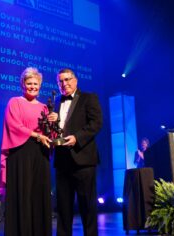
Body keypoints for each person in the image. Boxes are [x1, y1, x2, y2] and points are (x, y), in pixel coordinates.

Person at [48, 68, 103, 236]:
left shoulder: (89, 98)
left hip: (83, 160)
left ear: (75, 80)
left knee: (88, 207)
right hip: (62, 162)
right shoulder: (56, 103)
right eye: (60, 81)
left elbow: (96, 124)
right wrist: (51, 124)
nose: (64, 84)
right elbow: (56, 130)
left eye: (67, 79)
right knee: (63, 209)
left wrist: (77, 138)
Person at [0, 67, 52, 236]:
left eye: (36, 84)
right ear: (23, 84)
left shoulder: (45, 107)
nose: (33, 87)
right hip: (20, 154)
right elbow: (14, 126)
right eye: (29, 83)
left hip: (40, 154)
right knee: (22, 195)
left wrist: (54, 121)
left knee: (38, 195)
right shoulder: (15, 102)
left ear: (40, 85)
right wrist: (37, 135)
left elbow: (51, 134)